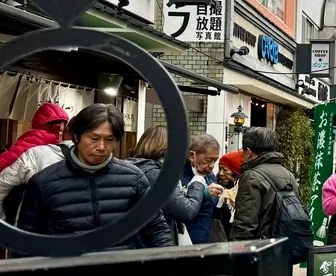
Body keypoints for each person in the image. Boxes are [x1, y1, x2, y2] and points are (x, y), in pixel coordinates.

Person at [17, 104, 173, 248]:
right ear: (77, 137)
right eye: (94, 138)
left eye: (110, 140)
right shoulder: (43, 182)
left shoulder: (134, 178)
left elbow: (156, 229)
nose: (101, 147)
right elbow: (27, 242)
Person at [129, 125, 206, 245]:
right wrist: (198, 182)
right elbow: (186, 211)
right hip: (154, 245)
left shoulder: (132, 169)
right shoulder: (158, 176)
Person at [229, 127, 300, 242]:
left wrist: (237, 251)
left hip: (260, 248)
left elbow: (245, 223)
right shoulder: (288, 174)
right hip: (283, 245)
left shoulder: (251, 176)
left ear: (248, 151)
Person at [0, 103, 67, 174]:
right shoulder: (40, 136)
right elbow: (13, 154)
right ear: (56, 125)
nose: (64, 127)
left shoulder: (47, 136)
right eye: (63, 124)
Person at [182, 134, 222, 244]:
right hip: (184, 240)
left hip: (205, 239)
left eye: (215, 160)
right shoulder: (177, 176)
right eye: (208, 160)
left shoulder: (210, 176)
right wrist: (204, 193)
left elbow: (213, 206)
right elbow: (179, 206)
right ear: (191, 156)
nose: (212, 165)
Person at [213, 150, 242, 240]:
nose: (221, 173)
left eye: (225, 170)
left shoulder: (243, 192)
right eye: (220, 169)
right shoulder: (214, 187)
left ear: (236, 172)